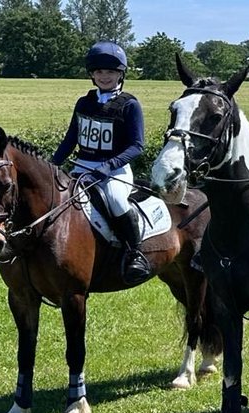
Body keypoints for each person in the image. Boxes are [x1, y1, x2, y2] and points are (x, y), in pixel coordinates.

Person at [51, 40, 150, 285]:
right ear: (92, 74)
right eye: (99, 71)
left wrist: (107, 167)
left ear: (120, 74)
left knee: (116, 200)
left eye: (111, 72)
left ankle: (134, 253)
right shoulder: (84, 103)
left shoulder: (129, 105)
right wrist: (52, 164)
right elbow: (70, 139)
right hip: (81, 167)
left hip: (115, 170)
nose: (104, 76)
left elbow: (137, 146)